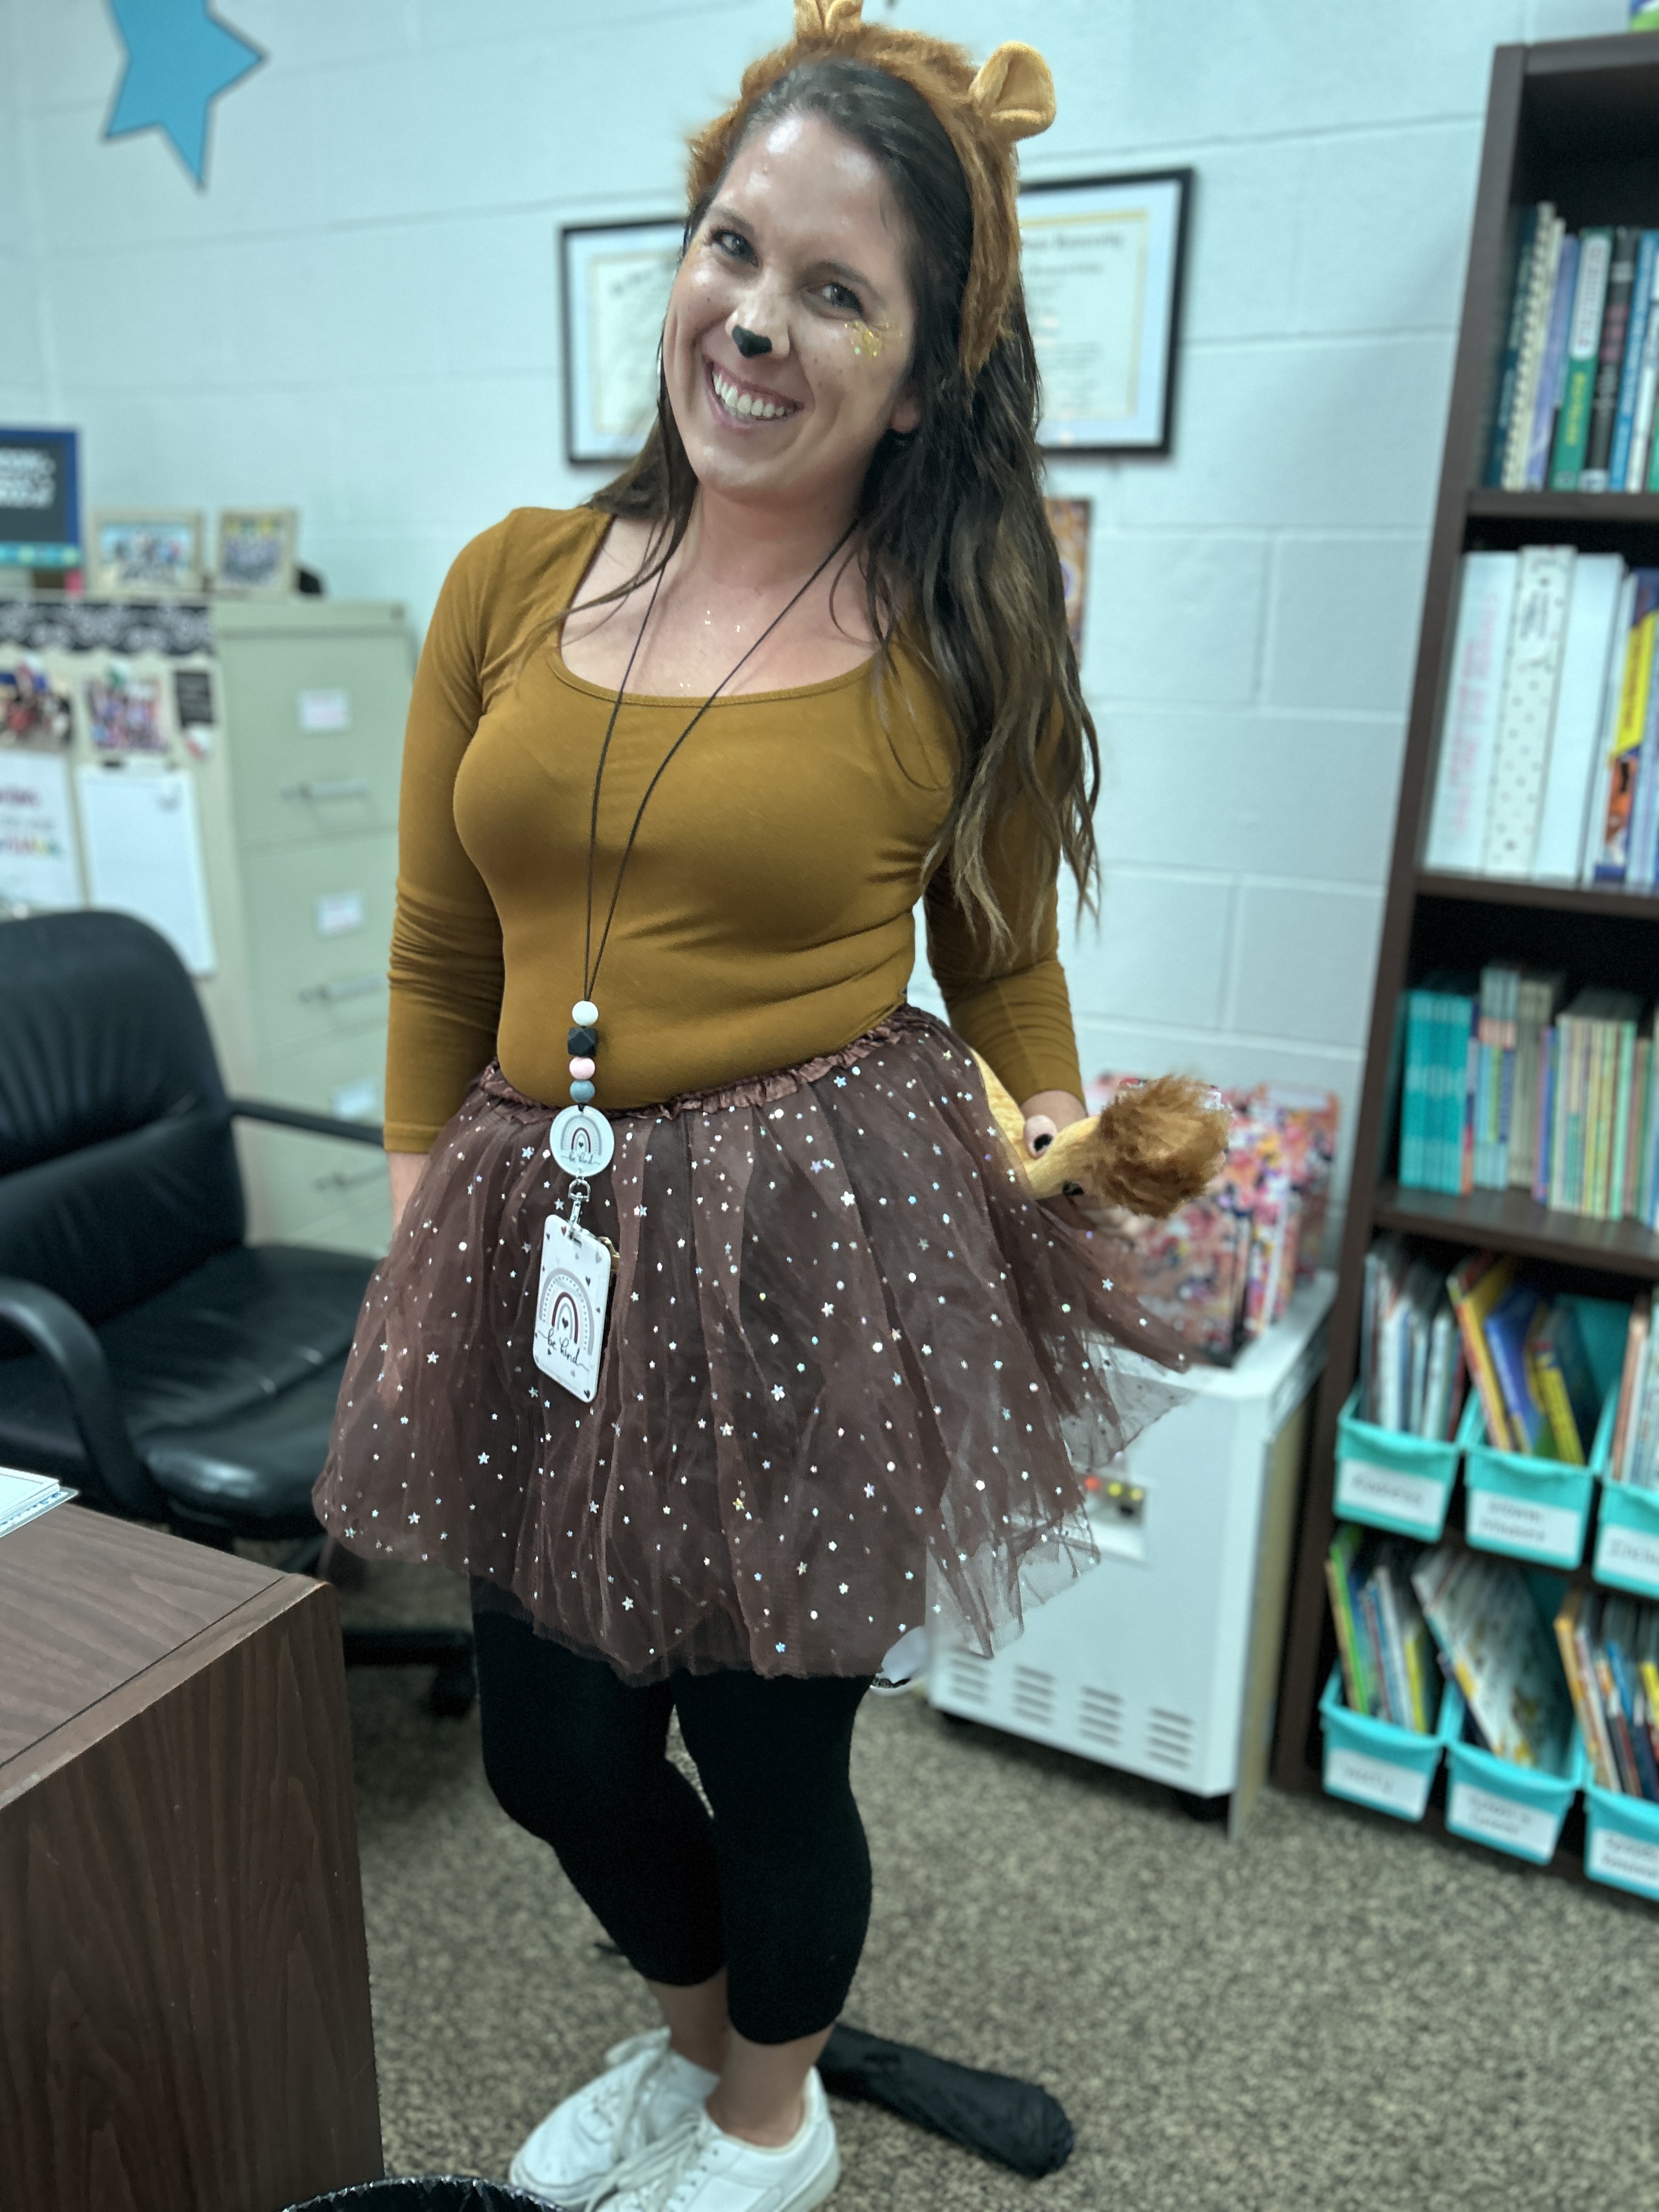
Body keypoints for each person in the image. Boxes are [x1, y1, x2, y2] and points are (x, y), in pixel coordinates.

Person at [316, 5, 1193, 2206]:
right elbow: (438, 950)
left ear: (923, 365)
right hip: (542, 1239)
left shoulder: (962, 623)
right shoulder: (511, 577)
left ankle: (766, 2117)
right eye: (737, 248)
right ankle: (709, 2045)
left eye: (838, 292)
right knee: (551, 1747)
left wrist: (1074, 1153)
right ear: (682, 254)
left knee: (768, 1751)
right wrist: (423, 1232)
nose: (759, 323)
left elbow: (996, 955)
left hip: (813, 1242)